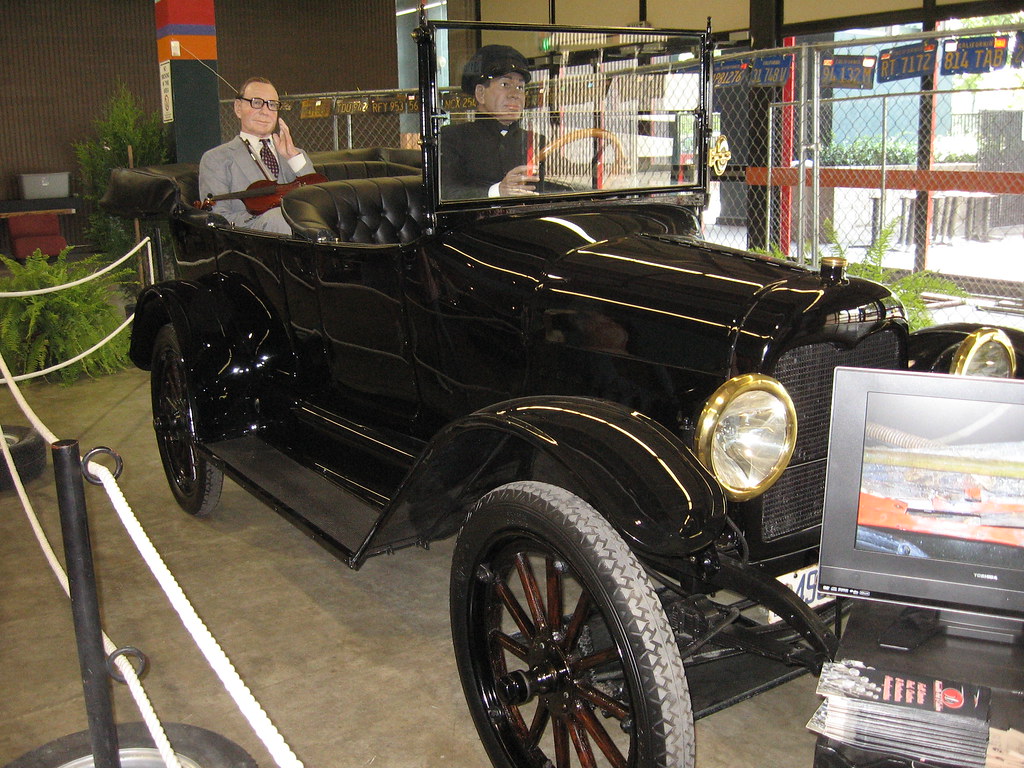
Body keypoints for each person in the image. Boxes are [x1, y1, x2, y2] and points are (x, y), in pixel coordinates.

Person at [198, 77, 314, 234]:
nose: (265, 111)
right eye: (257, 102)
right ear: (238, 108)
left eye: (272, 105)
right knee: (278, 218)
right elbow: (219, 217)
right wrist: (266, 218)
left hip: (303, 237)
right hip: (252, 243)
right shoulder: (216, 159)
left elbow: (315, 199)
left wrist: (293, 158)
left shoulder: (296, 155)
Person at [439, 45, 543, 200]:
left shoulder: (533, 140)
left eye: (520, 87)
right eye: (505, 85)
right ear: (480, 93)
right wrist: (497, 192)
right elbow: (446, 193)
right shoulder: (454, 137)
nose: (515, 94)